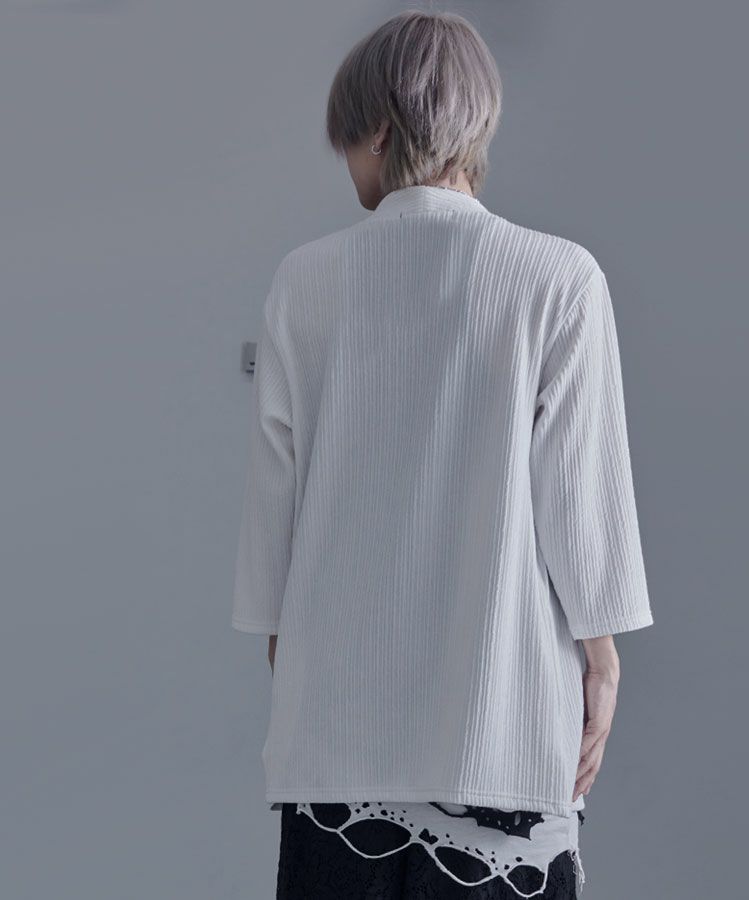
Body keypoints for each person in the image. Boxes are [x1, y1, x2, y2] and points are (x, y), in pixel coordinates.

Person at [232, 10, 654, 899]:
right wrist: (602, 661)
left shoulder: (303, 282)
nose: (346, 162)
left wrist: (296, 668)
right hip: (503, 742)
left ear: (382, 131)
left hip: (336, 759)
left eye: (347, 140)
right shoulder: (558, 279)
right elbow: (581, 502)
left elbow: (276, 519)